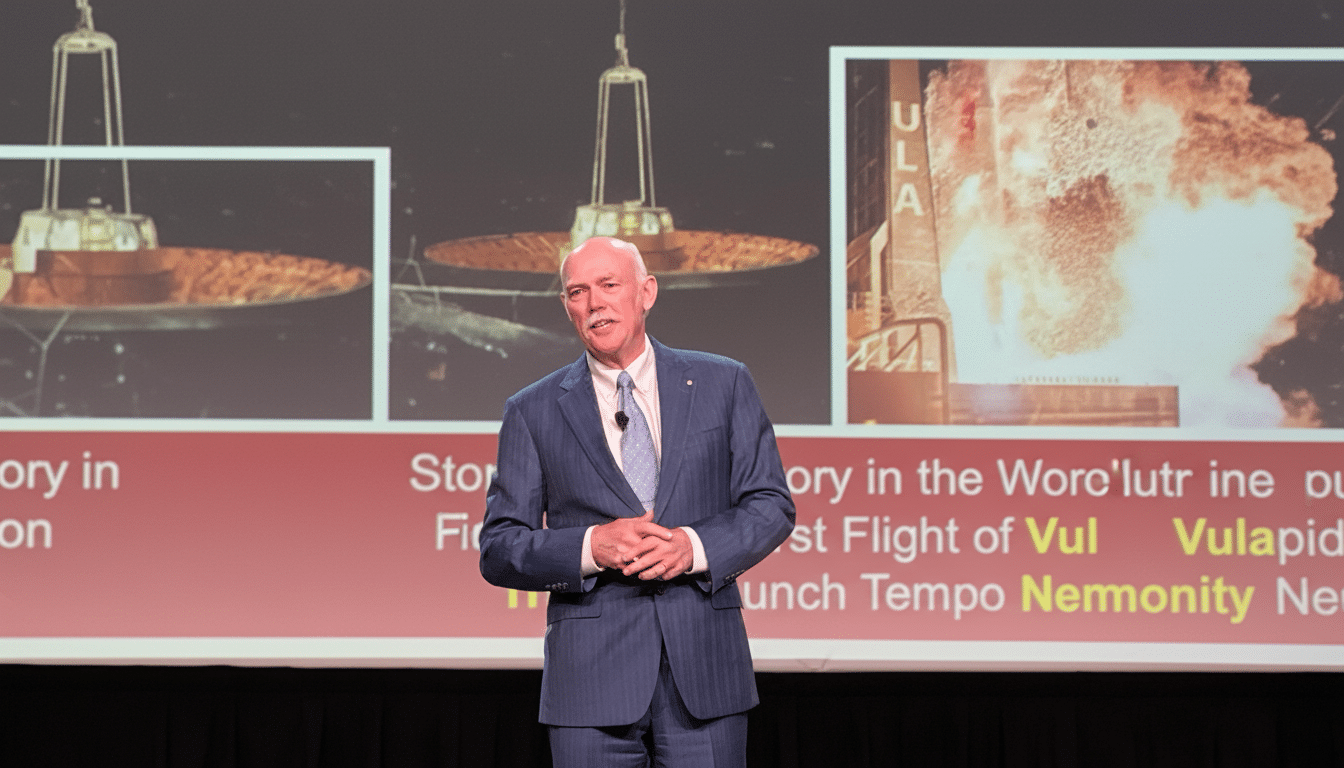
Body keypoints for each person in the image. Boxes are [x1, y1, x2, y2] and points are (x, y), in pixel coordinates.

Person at [479, 236, 795, 766]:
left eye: (609, 285)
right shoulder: (532, 410)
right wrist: (591, 546)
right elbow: (500, 546)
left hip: (705, 671)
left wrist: (692, 547)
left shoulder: (723, 382)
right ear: (566, 307)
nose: (594, 303)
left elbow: (770, 503)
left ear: (647, 291)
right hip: (590, 683)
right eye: (578, 291)